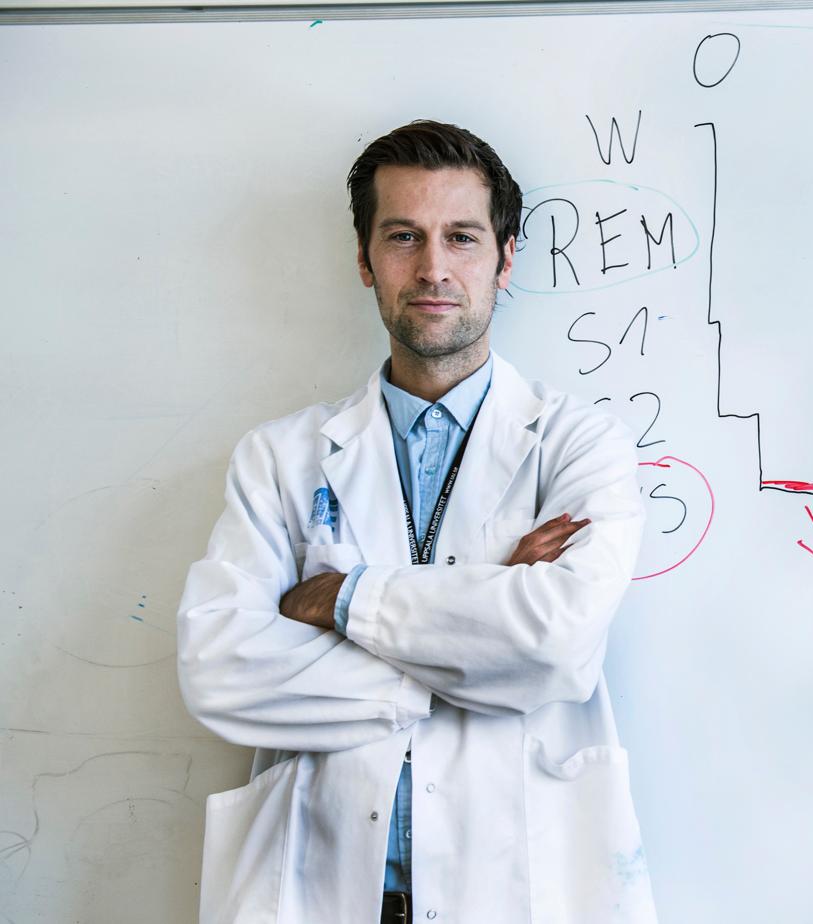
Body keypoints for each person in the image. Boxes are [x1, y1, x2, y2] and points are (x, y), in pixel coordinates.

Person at [177, 120, 657, 924]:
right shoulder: (279, 458)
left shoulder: (580, 444)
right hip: (322, 883)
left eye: (462, 237)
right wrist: (480, 626)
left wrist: (340, 603)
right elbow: (218, 666)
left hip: (515, 887)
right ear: (365, 260)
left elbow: (558, 643)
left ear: (505, 258)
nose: (433, 268)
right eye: (403, 236)